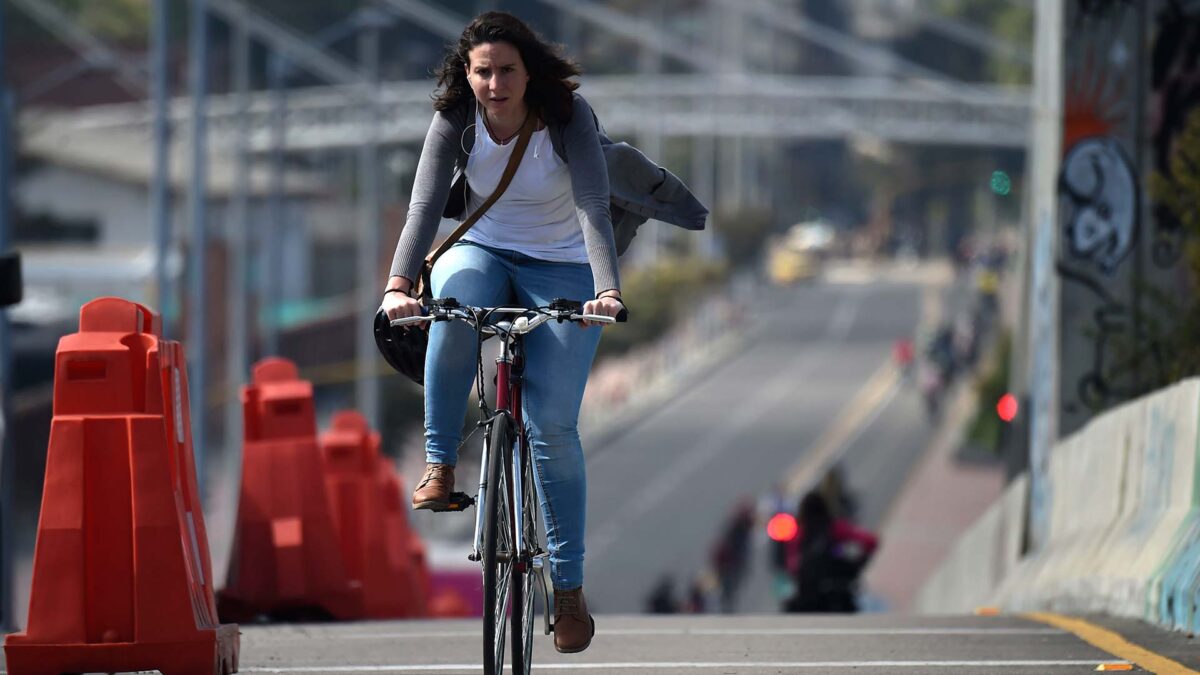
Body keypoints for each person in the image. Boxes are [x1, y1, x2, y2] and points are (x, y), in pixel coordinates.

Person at [381, 11, 627, 654]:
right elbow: (425, 207)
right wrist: (398, 286)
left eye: (507, 70)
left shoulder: (568, 116)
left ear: (528, 71)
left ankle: (567, 590)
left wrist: (605, 291)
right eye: (483, 71)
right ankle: (439, 465)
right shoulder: (454, 122)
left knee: (552, 425)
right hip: (481, 248)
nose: (495, 84)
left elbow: (593, 207)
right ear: (467, 75)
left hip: (565, 263)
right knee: (455, 309)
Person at [783, 491, 878, 613]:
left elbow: (792, 565)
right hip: (839, 594)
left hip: (808, 596)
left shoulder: (799, 532)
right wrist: (858, 563)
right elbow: (870, 541)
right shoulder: (835, 528)